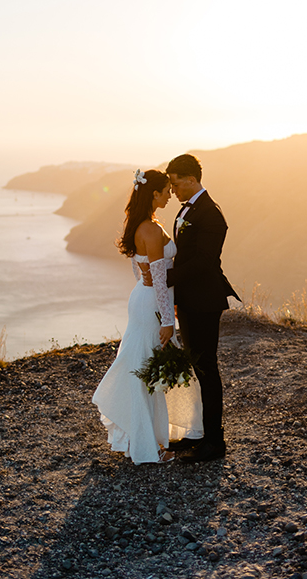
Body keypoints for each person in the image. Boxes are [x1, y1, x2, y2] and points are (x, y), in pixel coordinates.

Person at [92, 169, 202, 464]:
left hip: (143, 297)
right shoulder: (151, 230)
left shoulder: (143, 225)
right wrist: (168, 320)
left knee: (144, 369)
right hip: (152, 304)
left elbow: (142, 272)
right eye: (166, 190)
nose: (170, 194)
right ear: (154, 194)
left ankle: (144, 441)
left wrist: (151, 286)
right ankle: (149, 447)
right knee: (147, 373)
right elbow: (160, 280)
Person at [166, 153, 240, 463]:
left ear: (192, 180)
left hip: (205, 300)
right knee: (195, 368)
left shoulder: (211, 214)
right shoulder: (188, 210)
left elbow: (203, 261)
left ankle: (215, 443)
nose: (173, 191)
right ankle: (197, 433)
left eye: (175, 184)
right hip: (189, 298)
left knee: (207, 369)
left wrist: (165, 277)